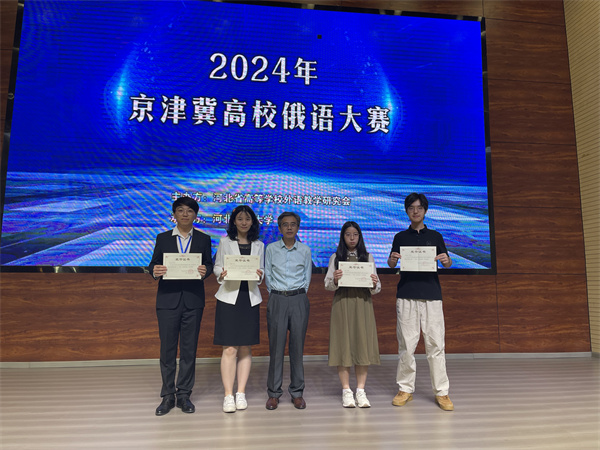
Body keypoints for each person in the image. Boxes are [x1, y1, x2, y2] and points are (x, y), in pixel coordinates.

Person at [387, 192, 454, 411]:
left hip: (432, 295)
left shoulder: (435, 236)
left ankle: (442, 392)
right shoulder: (400, 237)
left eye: (419, 208)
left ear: (425, 210)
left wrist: (446, 260)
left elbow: (447, 263)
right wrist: (392, 259)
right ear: (406, 211)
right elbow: (391, 264)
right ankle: (405, 389)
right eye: (411, 208)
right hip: (406, 294)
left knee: (436, 345)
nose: (415, 211)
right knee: (406, 346)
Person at [148, 196, 213, 416]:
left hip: (193, 301)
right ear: (174, 214)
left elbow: (208, 264)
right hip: (168, 300)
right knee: (167, 350)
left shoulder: (204, 239)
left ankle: (184, 394)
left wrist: (205, 271)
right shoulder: (163, 238)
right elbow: (154, 263)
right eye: (181, 210)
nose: (185, 214)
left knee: (188, 350)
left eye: (189, 211)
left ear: (196, 215)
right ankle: (167, 395)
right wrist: (155, 270)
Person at [213, 205, 264, 413]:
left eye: (248, 219)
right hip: (228, 298)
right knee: (229, 348)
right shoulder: (225, 242)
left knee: (245, 348)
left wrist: (260, 274)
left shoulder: (259, 245)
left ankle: (241, 392)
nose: (244, 222)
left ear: (253, 222)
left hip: (249, 298)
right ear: (234, 221)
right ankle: (228, 395)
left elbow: (262, 271)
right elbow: (217, 266)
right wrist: (222, 273)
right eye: (240, 219)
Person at [325, 221, 381, 408]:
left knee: (361, 344)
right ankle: (346, 390)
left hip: (363, 303)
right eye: (348, 234)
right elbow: (327, 285)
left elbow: (377, 288)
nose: (351, 238)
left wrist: (374, 283)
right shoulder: (336, 257)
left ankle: (361, 391)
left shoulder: (368, 257)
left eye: (355, 234)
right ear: (342, 236)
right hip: (342, 303)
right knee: (343, 345)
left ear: (360, 236)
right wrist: (335, 280)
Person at [264, 211, 312, 410]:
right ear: (280, 228)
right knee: (276, 348)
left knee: (297, 348)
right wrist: (277, 294)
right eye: (285, 224)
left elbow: (307, 277)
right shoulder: (271, 249)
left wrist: (297, 294)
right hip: (277, 298)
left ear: (298, 227)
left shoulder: (305, 250)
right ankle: (274, 393)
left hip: (299, 298)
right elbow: (268, 275)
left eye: (293, 224)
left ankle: (297, 393)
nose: (289, 227)